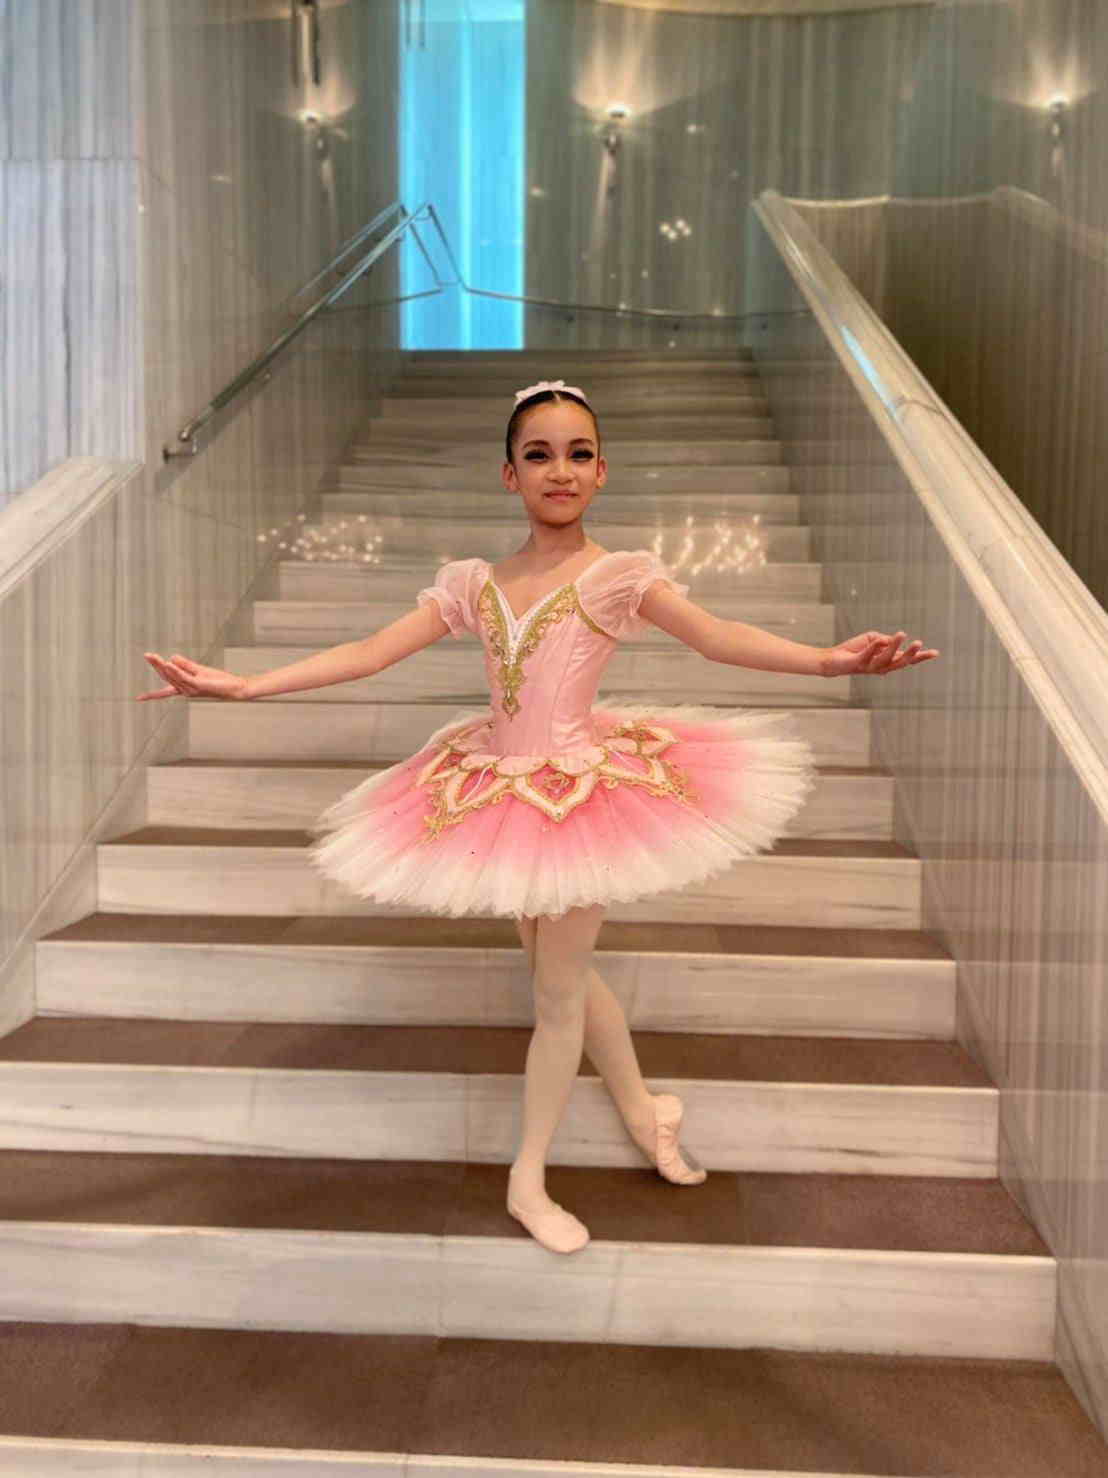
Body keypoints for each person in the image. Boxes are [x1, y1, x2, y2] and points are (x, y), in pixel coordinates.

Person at [139, 377, 939, 1255]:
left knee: (556, 992)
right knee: (562, 972)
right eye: (539, 454)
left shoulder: (618, 575)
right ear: (509, 474)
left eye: (579, 453)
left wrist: (826, 662)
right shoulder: (473, 583)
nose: (561, 470)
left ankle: (527, 1177)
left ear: (602, 472)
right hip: (497, 787)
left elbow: (715, 636)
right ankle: (646, 1110)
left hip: (576, 795)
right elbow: (370, 652)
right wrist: (248, 686)